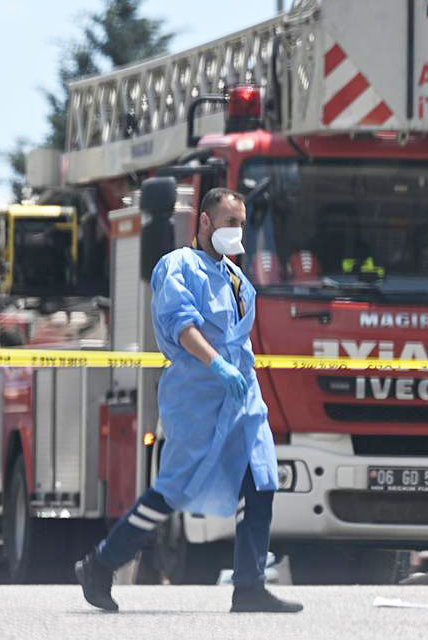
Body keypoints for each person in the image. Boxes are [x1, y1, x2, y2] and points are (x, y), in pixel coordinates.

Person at [75, 188, 302, 613]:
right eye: (229, 222)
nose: (236, 232)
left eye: (241, 223)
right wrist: (217, 365)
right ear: (204, 221)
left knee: (262, 481)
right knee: (173, 490)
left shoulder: (237, 279)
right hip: (197, 397)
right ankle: (100, 564)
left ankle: (249, 586)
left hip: (242, 399)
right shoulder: (177, 267)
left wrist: (238, 376)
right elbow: (182, 327)